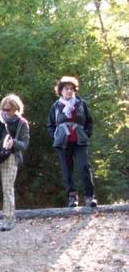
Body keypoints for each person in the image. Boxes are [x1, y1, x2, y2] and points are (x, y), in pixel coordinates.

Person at [46, 76, 97, 208]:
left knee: (84, 167)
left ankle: (89, 196)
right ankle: (72, 197)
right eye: (66, 89)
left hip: (80, 141)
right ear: (61, 91)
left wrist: (86, 134)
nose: (69, 91)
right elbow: (50, 125)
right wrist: (55, 136)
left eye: (71, 89)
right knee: (67, 170)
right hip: (62, 143)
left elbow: (89, 122)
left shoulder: (81, 104)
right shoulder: (55, 107)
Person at [0, 94, 30, 231]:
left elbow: (25, 144)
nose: (5, 111)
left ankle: (9, 219)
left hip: (11, 157)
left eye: (8, 109)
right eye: (3, 109)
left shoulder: (22, 123)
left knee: (7, 188)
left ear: (16, 108)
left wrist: (12, 142)